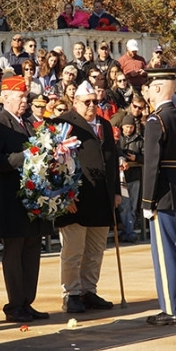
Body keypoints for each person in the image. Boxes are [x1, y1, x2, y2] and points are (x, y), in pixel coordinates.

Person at [0, 76, 53, 323]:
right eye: (20, 97)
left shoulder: (30, 125)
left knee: (32, 250)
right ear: (5, 98)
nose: (24, 101)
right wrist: (23, 157)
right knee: (14, 253)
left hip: (33, 200)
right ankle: (14, 304)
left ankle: (27, 301)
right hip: (10, 200)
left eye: (26, 97)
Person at [53, 81, 120, 313]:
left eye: (95, 101)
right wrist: (63, 196)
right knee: (73, 251)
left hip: (101, 196)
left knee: (95, 250)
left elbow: (112, 160)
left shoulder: (104, 124)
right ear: (75, 102)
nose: (92, 106)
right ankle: (71, 293)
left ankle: (88, 290)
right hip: (75, 198)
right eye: (87, 102)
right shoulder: (63, 125)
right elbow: (55, 164)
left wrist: (116, 191)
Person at [141, 68, 176, 326]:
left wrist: (146, 201)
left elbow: (151, 165)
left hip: (162, 193)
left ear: (158, 88)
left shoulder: (156, 121)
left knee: (165, 254)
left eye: (151, 87)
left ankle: (171, 309)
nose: (148, 92)